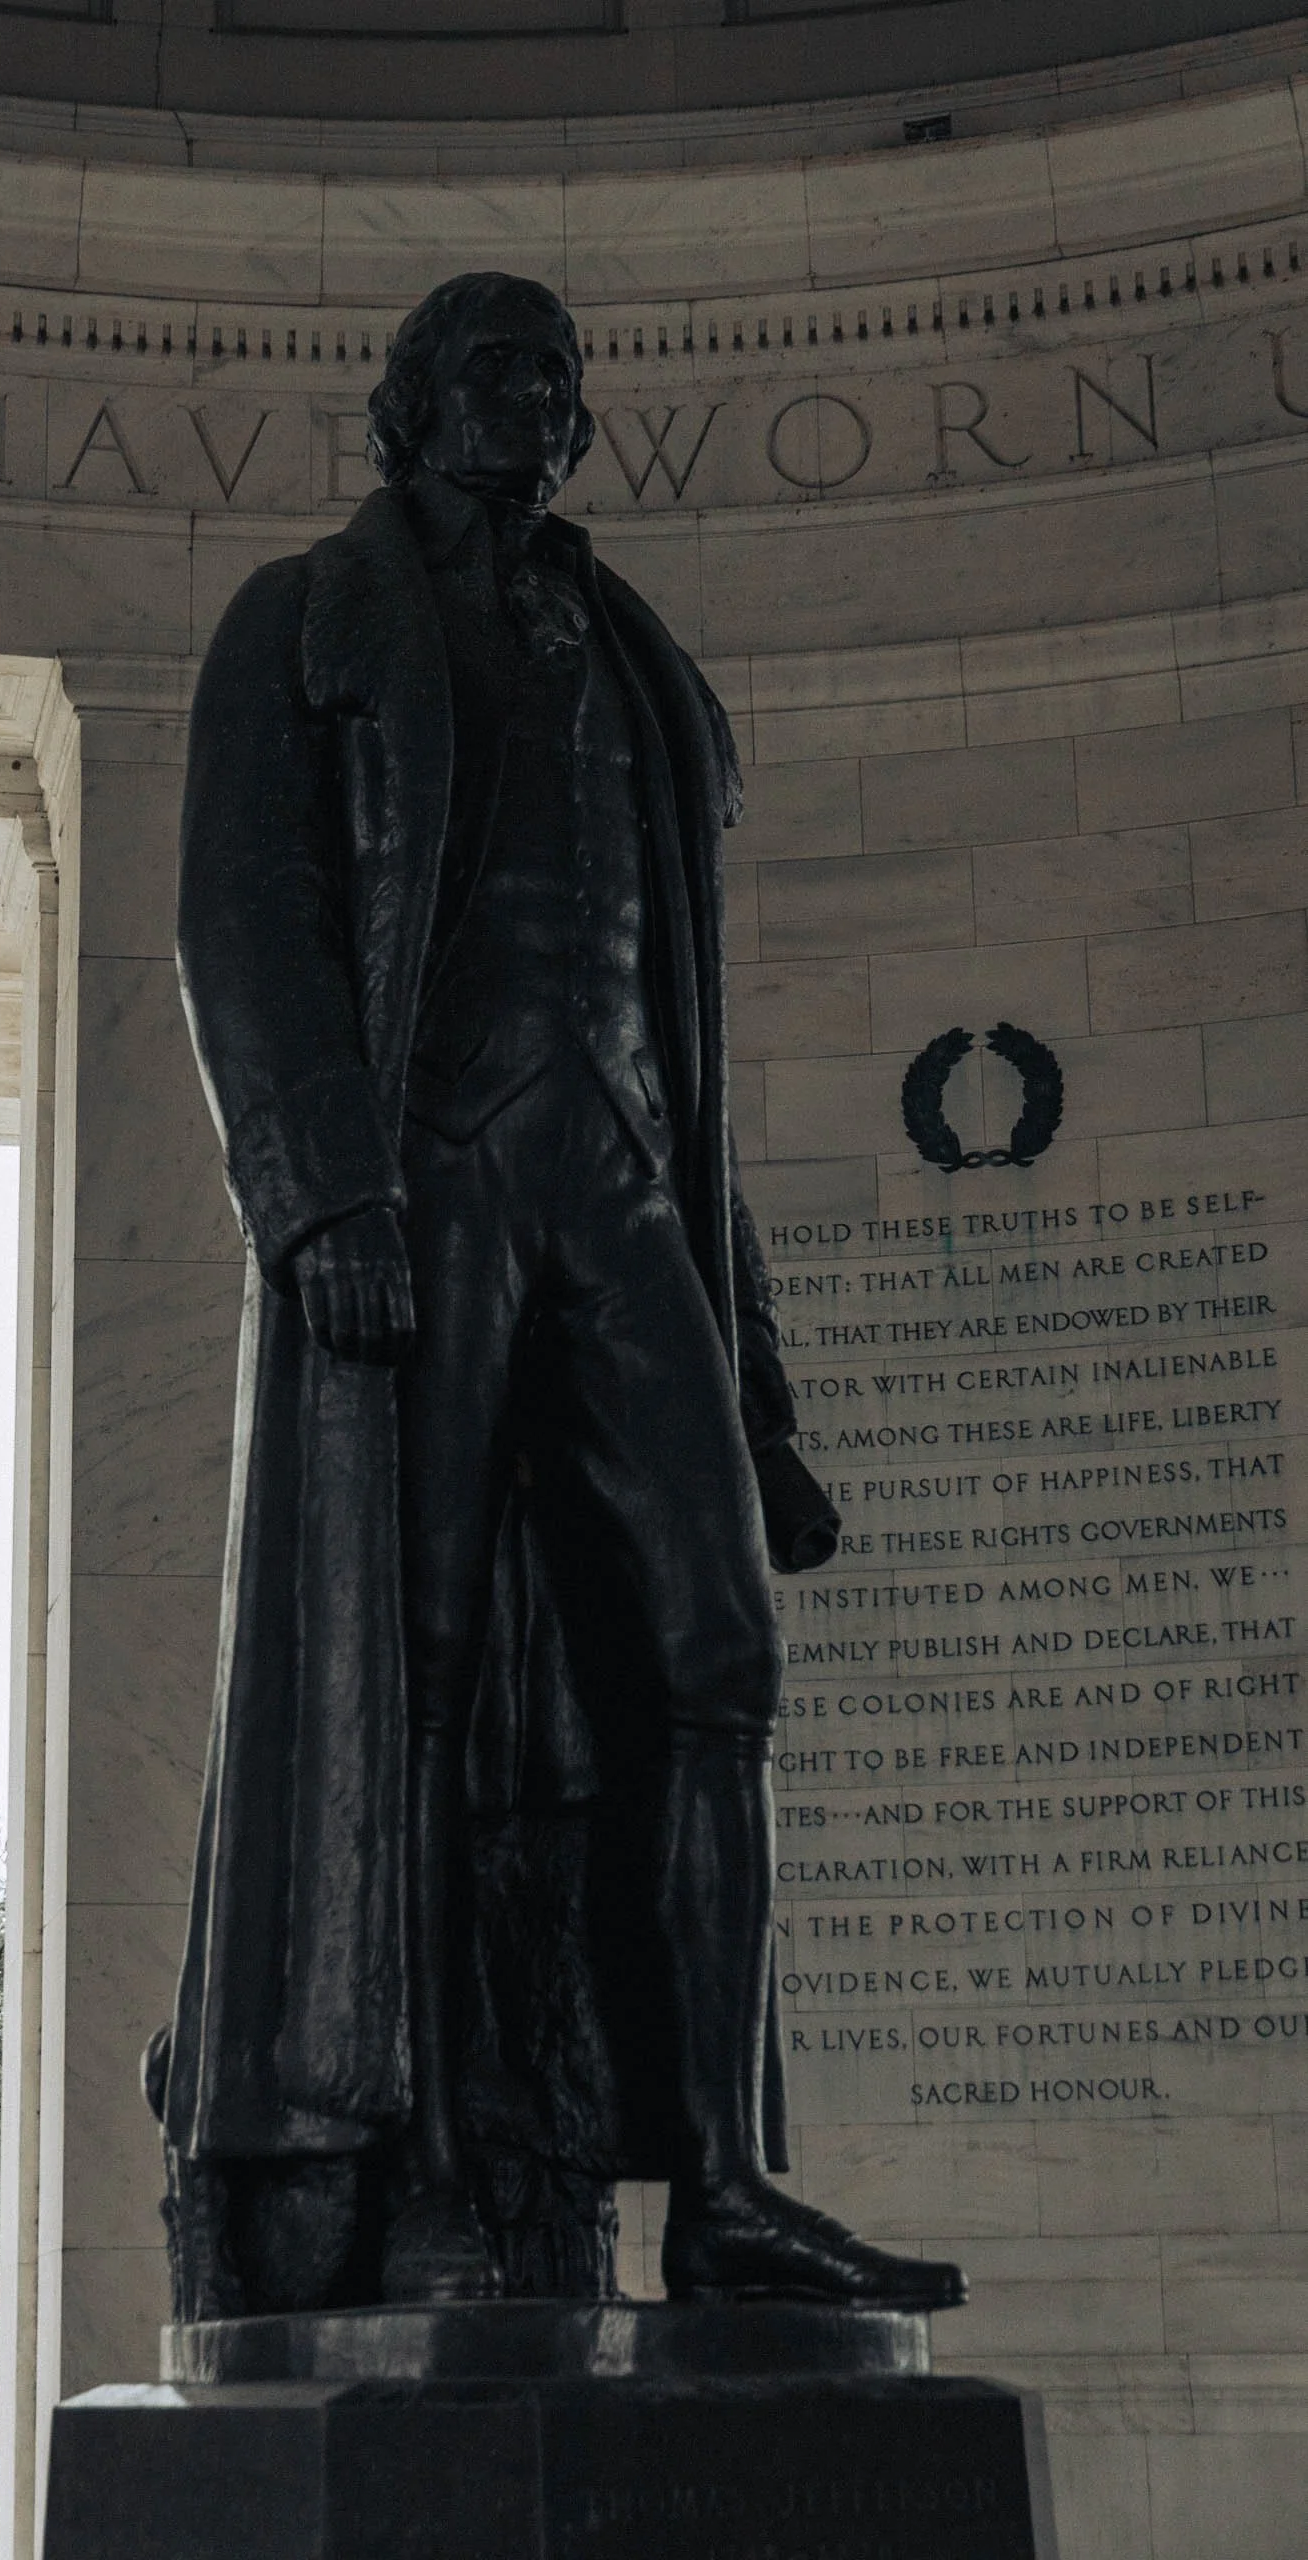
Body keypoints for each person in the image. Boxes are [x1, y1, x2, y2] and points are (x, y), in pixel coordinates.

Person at [156, 270, 965, 2317]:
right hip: (423, 1172)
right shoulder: (302, 617)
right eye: (499, 369)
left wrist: (761, 1396)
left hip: (619, 1182)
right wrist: (320, 1197)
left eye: (560, 377)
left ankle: (724, 2187)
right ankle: (424, 2150)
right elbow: (243, 919)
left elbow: (688, 1048)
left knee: (719, 1650)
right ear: (412, 401)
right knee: (410, 1676)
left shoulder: (632, 657)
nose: (539, 401)